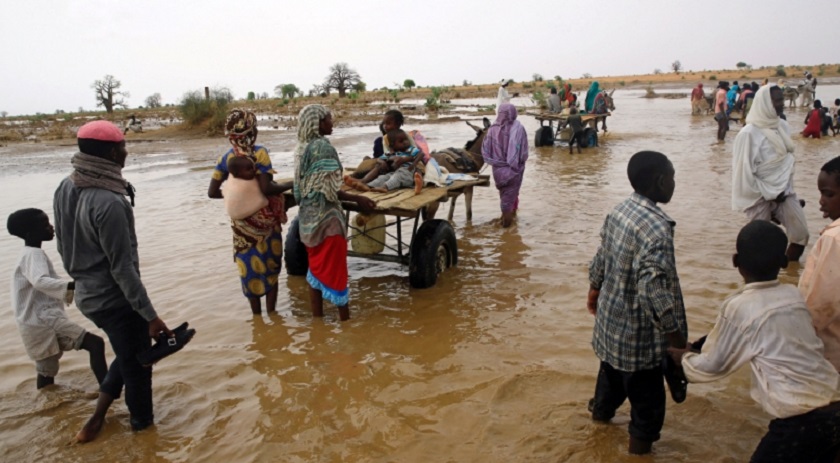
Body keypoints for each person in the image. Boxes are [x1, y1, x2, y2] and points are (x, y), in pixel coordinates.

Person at [669, 220, 840, 462]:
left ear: (735, 261)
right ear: (783, 262)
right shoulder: (794, 297)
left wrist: (684, 358)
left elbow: (713, 366)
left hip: (800, 418)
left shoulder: (739, 306)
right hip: (834, 402)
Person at [53, 120, 174, 442]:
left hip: (88, 295)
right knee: (138, 370)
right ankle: (144, 434)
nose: (126, 152)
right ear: (110, 152)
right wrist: (150, 316)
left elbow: (63, 246)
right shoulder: (109, 202)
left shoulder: (66, 187)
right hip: (115, 299)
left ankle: (97, 418)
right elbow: (123, 269)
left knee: (127, 353)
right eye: (122, 146)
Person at [587, 151, 688, 456]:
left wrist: (594, 288)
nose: (674, 182)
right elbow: (653, 292)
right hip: (641, 347)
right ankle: (637, 456)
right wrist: (677, 341)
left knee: (608, 388)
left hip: (611, 332)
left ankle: (596, 434)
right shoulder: (657, 229)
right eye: (672, 177)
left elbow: (602, 254)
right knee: (647, 416)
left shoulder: (620, 211)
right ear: (660, 181)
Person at [7, 208, 107, 390]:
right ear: (30, 233)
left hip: (36, 322)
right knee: (95, 344)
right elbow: (40, 281)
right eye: (44, 225)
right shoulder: (33, 254)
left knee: (47, 370)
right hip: (43, 319)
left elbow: (43, 282)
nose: (51, 227)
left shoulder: (28, 254)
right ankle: (108, 391)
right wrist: (74, 285)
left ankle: (48, 405)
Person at [293, 105, 376, 321]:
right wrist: (358, 198)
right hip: (327, 220)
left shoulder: (301, 147)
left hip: (307, 222)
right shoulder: (322, 147)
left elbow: (297, 191)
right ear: (318, 123)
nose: (332, 122)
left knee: (315, 272)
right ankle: (345, 324)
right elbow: (330, 191)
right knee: (337, 272)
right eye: (329, 119)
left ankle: (318, 323)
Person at [208, 109, 291, 314]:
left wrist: (235, 196)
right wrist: (290, 185)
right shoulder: (259, 153)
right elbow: (267, 188)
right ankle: (272, 315)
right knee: (271, 269)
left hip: (241, 228)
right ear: (251, 131)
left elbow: (212, 192)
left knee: (249, 271)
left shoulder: (225, 159)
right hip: (266, 224)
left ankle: (257, 318)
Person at [731, 85, 808, 261]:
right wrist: (770, 195)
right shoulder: (748, 134)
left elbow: (783, 164)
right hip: (759, 196)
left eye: (782, 99)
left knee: (801, 235)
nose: (783, 103)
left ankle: (786, 273)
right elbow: (743, 173)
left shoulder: (783, 126)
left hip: (785, 192)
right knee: (759, 245)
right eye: (778, 100)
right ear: (766, 102)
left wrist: (780, 191)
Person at [799, 156, 840, 371]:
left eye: (829, 194)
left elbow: (821, 306)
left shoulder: (833, 239)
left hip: (831, 356)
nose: (821, 201)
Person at [480, 103, 529, 228]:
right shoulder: (518, 128)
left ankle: (505, 237)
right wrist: (514, 163)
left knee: (504, 199)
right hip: (514, 172)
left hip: (498, 173)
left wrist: (498, 162)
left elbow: (485, 153)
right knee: (508, 204)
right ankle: (508, 234)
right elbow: (523, 153)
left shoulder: (491, 130)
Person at [345, 129, 424, 194]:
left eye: (405, 139)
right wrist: (382, 162)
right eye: (401, 141)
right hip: (394, 172)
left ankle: (384, 187)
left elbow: (421, 154)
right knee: (383, 177)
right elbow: (380, 158)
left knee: (397, 177)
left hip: (407, 172)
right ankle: (368, 186)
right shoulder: (392, 153)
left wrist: (414, 163)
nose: (405, 142)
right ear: (393, 146)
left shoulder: (410, 149)